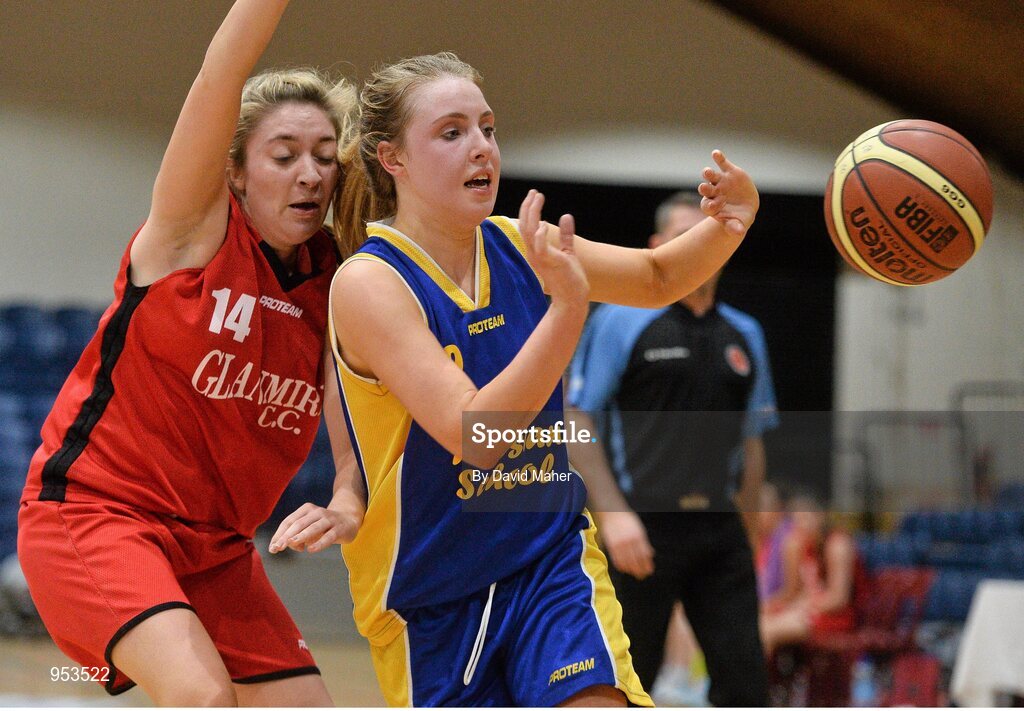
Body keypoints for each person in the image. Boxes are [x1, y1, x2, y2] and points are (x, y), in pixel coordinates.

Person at [293, 52, 759, 707]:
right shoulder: (371, 283)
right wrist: (567, 313)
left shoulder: (520, 244)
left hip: (549, 563)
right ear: (391, 158)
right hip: (431, 595)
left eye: (487, 127)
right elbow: (476, 434)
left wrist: (728, 224)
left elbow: (658, 277)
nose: (481, 146)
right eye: (452, 132)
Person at [17, 0, 362, 704]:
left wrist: (350, 494)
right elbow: (221, 72)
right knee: (203, 696)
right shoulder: (192, 230)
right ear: (234, 171)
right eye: (285, 154)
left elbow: (347, 402)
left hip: (217, 549)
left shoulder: (340, 281)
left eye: (325, 159)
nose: (309, 174)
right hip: (95, 513)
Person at [566, 191, 779, 707]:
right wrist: (614, 517)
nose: (697, 248)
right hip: (642, 529)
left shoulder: (744, 332)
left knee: (747, 687)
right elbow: (575, 419)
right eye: (684, 237)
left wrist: (747, 532)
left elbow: (752, 444)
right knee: (627, 685)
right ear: (659, 246)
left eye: (706, 236)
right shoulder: (620, 319)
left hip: (720, 531)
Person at [759, 492, 866, 655]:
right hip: (811, 610)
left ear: (820, 517)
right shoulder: (803, 545)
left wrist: (803, 606)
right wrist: (773, 605)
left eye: (806, 518)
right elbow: (793, 592)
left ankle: (758, 679)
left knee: (767, 632)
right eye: (797, 521)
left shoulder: (837, 544)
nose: (802, 525)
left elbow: (838, 599)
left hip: (838, 616)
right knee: (758, 623)